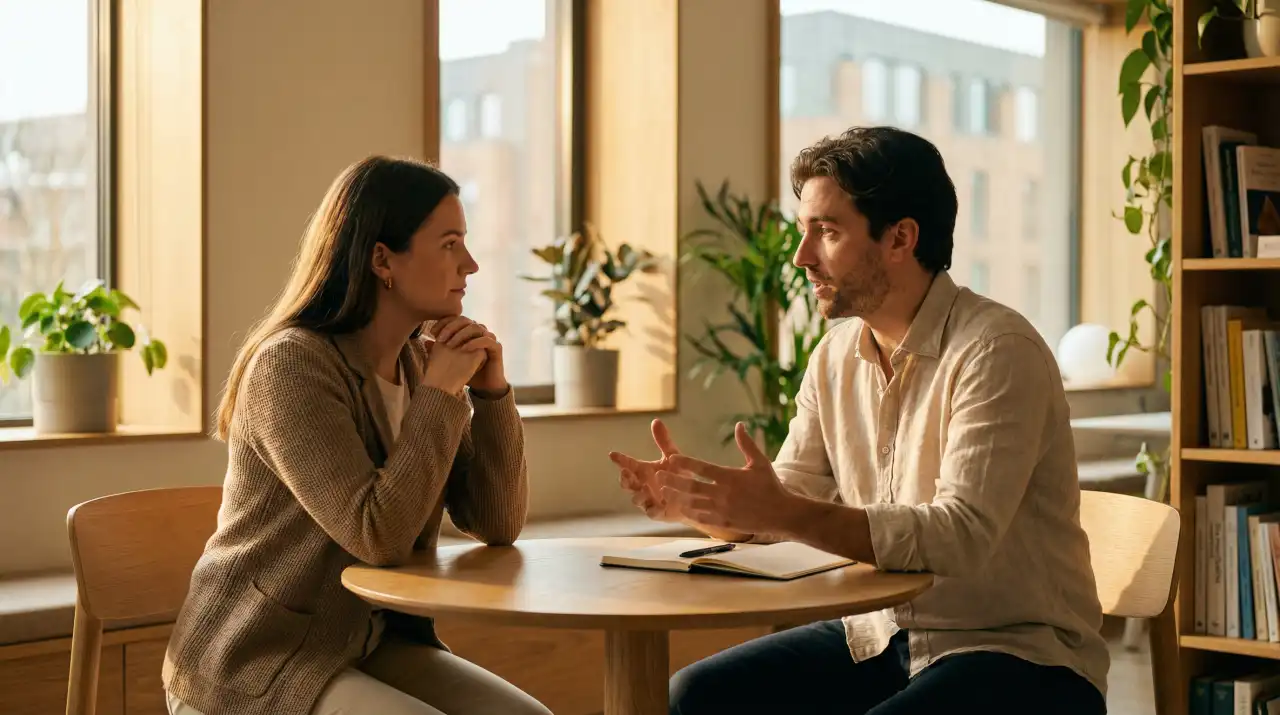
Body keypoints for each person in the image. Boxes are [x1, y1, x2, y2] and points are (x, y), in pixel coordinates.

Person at [610, 126, 1109, 715]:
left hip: (1017, 651)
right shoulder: (834, 355)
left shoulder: (996, 349)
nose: (801, 258)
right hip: (880, 638)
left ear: (900, 238)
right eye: (804, 232)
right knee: (698, 697)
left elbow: (961, 536)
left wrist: (781, 510)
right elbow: (790, 498)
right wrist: (705, 504)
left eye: (826, 232)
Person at [162, 156, 551, 715]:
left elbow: (495, 522)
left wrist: (491, 395)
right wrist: (441, 397)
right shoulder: (291, 366)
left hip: (364, 644)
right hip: (259, 660)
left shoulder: (419, 366)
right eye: (449, 244)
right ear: (381, 259)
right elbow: (377, 535)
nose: (470, 265)